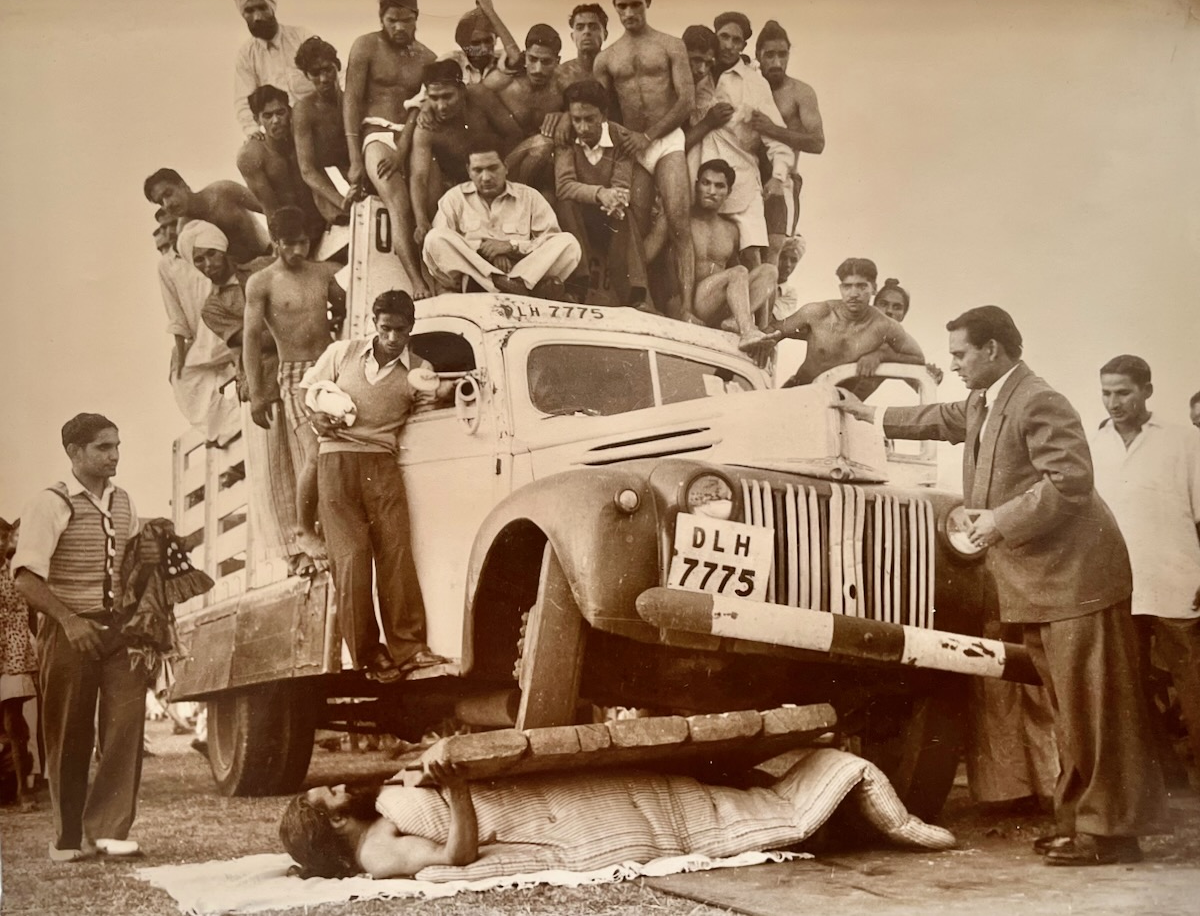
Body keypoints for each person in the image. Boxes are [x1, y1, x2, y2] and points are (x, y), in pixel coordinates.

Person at [835, 306, 1171, 866]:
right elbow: (938, 418)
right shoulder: (985, 401)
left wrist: (999, 520)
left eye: (961, 354)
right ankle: (1083, 823)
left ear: (993, 350)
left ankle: (1110, 832)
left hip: (1077, 579)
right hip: (1045, 582)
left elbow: (1070, 482)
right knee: (1070, 710)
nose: (954, 365)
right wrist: (865, 414)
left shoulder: (1039, 400)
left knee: (1093, 710)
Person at [278, 752, 955, 880]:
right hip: (530, 817)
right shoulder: (377, 852)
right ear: (331, 825)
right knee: (717, 808)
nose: (335, 786)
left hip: (526, 798)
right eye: (325, 796)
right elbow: (454, 855)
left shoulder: (378, 811)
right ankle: (838, 811)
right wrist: (458, 789)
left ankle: (828, 798)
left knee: (689, 785)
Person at [12, 415, 145, 861]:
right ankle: (67, 838)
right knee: (69, 732)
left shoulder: (124, 501)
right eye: (103, 447)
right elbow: (25, 577)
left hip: (119, 629)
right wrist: (69, 620)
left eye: (117, 446)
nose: (114, 455)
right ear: (74, 452)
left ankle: (109, 829)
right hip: (67, 629)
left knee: (125, 726)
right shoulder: (50, 503)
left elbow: (133, 565)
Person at [298, 291, 445, 683]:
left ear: (411, 328)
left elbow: (426, 419)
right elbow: (305, 392)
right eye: (386, 328)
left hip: (382, 464)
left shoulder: (419, 370)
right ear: (374, 324)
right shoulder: (342, 353)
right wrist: (315, 418)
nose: (393, 338)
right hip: (336, 463)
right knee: (352, 560)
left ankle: (410, 649)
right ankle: (369, 656)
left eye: (401, 330)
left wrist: (440, 393)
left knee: (396, 554)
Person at [1090, 355, 1200, 788]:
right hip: (1118, 588)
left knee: (1193, 686)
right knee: (1131, 690)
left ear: (1147, 391)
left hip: (1178, 585)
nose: (1113, 402)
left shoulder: (1185, 441)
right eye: (1106, 393)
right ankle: (1164, 782)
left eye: (1124, 392)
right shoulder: (1094, 443)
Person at [179, 221, 304, 573]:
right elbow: (255, 342)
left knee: (305, 458)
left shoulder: (263, 267)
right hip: (261, 380)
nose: (207, 264)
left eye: (210, 254)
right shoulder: (212, 308)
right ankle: (294, 554)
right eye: (198, 260)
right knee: (272, 469)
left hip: (299, 371)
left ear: (222, 248)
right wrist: (291, 322)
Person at [244, 208, 346, 562]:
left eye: (302, 242)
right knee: (314, 453)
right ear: (275, 242)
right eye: (289, 244)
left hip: (331, 366)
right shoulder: (262, 283)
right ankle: (303, 528)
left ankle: (336, 523)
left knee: (343, 447)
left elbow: (349, 306)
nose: (298, 251)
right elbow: (251, 339)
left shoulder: (324, 273)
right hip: (295, 374)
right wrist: (257, 394)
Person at [594, 0, 696, 315]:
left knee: (679, 222)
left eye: (635, 4)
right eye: (622, 6)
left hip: (665, 141)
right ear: (614, 6)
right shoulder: (606, 58)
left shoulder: (670, 45)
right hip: (631, 146)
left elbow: (686, 101)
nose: (629, 12)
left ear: (647, 1)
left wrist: (649, 136)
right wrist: (624, 136)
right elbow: (600, 110)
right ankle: (642, 300)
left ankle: (687, 308)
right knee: (633, 228)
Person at [344, 0, 436, 296]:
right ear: (381, 18)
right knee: (398, 203)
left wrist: (404, 148)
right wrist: (355, 159)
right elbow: (351, 101)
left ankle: (436, 277)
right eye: (391, 20)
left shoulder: (427, 57)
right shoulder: (365, 46)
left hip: (410, 136)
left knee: (431, 201)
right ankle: (416, 282)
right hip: (376, 134)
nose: (399, 27)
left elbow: (420, 106)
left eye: (405, 20)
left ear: (416, 16)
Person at [681, 13, 791, 270]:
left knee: (752, 257)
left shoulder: (754, 83)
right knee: (695, 254)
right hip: (695, 179)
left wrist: (778, 176)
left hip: (740, 180)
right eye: (724, 37)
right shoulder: (695, 73)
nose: (729, 45)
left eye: (736, 40)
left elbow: (777, 136)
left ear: (744, 45)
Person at [422, 143, 581, 296]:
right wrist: (485, 250)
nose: (486, 177)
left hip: (522, 270)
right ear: (469, 171)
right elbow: (442, 245)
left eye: (493, 168)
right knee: (434, 238)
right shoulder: (454, 198)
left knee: (568, 243)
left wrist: (511, 246)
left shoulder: (529, 197)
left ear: (506, 167)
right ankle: (500, 283)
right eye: (478, 170)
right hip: (473, 273)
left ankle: (516, 283)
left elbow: (549, 239)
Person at [646, 159, 773, 348]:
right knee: (738, 272)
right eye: (706, 183)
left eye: (719, 186)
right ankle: (747, 330)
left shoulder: (731, 230)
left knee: (769, 271)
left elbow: (737, 282)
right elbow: (644, 258)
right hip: (682, 304)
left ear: (728, 192)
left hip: (714, 305)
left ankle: (734, 320)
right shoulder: (677, 219)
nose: (711, 191)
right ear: (696, 185)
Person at [759, 257, 926, 387]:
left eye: (861, 286)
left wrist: (879, 355)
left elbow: (918, 358)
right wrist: (764, 345)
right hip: (799, 388)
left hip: (838, 403)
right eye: (847, 286)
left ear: (874, 288)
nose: (853, 294)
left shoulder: (885, 326)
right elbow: (775, 329)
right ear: (841, 288)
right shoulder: (818, 312)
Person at [554, 78, 647, 306]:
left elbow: (621, 184)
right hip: (579, 215)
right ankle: (578, 283)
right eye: (576, 119)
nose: (583, 127)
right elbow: (564, 186)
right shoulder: (566, 136)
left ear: (604, 115)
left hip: (605, 215)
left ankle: (635, 294)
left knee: (624, 214)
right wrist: (600, 193)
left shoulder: (620, 137)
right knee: (565, 205)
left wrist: (616, 199)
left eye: (590, 119)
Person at [409, 60, 523, 247]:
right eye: (434, 98)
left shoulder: (479, 96)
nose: (441, 106)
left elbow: (513, 134)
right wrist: (421, 221)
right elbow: (419, 176)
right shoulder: (426, 128)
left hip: (496, 173)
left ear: (461, 90)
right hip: (457, 186)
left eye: (447, 96)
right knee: (431, 169)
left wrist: (500, 173)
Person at [154, 209, 240, 447]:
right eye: (164, 228)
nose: (170, 231)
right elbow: (176, 315)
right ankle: (225, 428)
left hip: (231, 323)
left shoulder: (206, 244)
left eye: (172, 224)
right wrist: (180, 353)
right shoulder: (167, 265)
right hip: (204, 337)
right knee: (183, 376)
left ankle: (230, 425)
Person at [753, 20, 824, 261]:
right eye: (770, 55)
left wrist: (772, 129)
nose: (776, 62)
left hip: (783, 181)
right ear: (758, 55)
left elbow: (817, 142)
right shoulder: (748, 86)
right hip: (749, 176)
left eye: (782, 55)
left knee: (776, 251)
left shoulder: (800, 92)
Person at [484, 20, 570, 194]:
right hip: (501, 163)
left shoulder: (562, 88)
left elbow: (589, 108)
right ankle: (518, 197)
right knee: (543, 143)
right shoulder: (504, 83)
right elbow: (467, 97)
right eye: (533, 59)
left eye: (546, 62)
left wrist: (566, 116)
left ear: (557, 61)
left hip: (539, 168)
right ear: (525, 58)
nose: (538, 69)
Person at [236, 86, 325, 245]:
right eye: (268, 116)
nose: (276, 120)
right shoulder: (251, 156)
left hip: (324, 224)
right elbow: (271, 210)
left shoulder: (304, 138)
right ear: (257, 119)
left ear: (289, 111)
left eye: (280, 112)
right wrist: (285, 246)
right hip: (291, 235)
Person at [231, 0, 314, 138]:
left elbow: (334, 75)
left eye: (262, 8)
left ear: (272, 6)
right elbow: (244, 102)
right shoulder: (246, 55)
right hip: (279, 135)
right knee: (248, 152)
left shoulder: (301, 37)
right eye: (249, 11)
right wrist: (252, 130)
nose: (257, 17)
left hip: (315, 127)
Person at [144, 168, 270, 264]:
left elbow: (269, 209)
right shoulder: (185, 231)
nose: (167, 204)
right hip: (244, 279)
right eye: (160, 202)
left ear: (183, 185)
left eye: (168, 193)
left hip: (272, 254)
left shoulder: (224, 191)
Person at [292, 37, 354, 228]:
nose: (324, 79)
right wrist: (340, 201)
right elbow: (307, 170)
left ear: (337, 66)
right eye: (315, 73)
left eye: (328, 69)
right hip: (324, 180)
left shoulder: (352, 101)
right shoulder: (304, 110)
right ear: (307, 75)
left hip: (352, 170)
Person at [0, 516, 37, 812]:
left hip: (12, 653)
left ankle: (24, 790)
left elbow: (31, 610)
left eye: (4, 537)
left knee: (14, 722)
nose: (0, 543)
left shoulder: (16, 571)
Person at [440, 5, 505, 86]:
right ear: (463, 45)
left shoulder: (504, 59)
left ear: (495, 39)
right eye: (475, 43)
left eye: (488, 41)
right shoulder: (450, 63)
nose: (484, 49)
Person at [558, 3, 609, 85]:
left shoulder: (615, 71)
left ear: (605, 35)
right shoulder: (560, 74)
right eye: (580, 28)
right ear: (572, 36)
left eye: (593, 27)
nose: (586, 31)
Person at [772, 234, 805, 320]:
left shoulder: (790, 294)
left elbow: (770, 319)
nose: (788, 264)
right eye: (783, 257)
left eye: (793, 260)